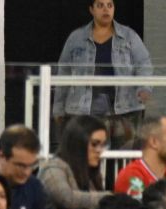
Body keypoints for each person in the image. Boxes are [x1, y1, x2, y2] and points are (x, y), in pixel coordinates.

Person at [56, 0, 154, 146]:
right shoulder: (76, 38)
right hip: (85, 112)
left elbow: (144, 65)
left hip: (125, 111)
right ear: (91, 9)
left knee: (123, 159)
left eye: (110, 5)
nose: (105, 10)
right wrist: (58, 108)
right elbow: (63, 73)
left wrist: (144, 88)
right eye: (100, 5)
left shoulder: (129, 36)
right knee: (86, 157)